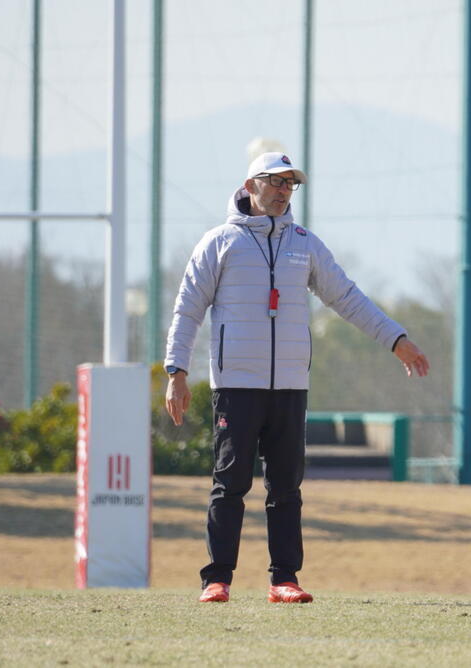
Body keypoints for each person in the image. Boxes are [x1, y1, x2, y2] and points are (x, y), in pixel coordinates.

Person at [164, 151, 430, 604]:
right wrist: (177, 371)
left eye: (291, 184)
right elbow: (188, 308)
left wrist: (395, 338)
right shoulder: (218, 242)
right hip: (236, 385)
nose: (284, 191)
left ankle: (284, 579)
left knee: (286, 487)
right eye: (275, 181)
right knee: (230, 484)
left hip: (289, 385)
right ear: (250, 185)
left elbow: (347, 297)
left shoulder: (304, 244)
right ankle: (216, 579)